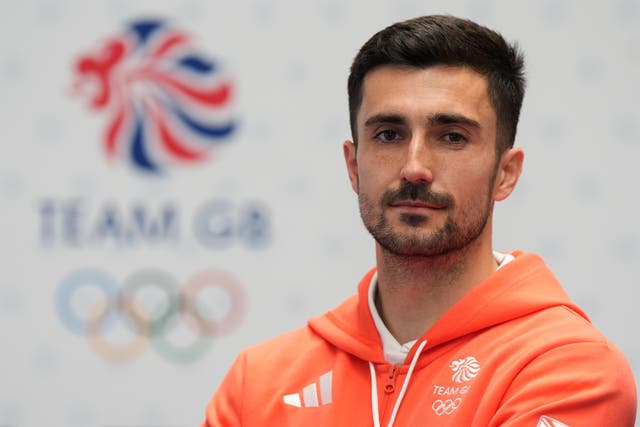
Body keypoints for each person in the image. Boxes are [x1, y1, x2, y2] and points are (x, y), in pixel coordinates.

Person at [201, 15, 637, 426]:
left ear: (506, 173)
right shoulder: (258, 382)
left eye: (451, 137)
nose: (414, 167)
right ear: (353, 166)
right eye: (389, 134)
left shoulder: (569, 367)